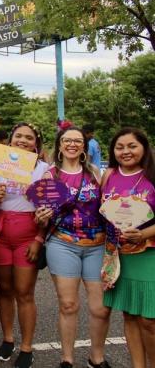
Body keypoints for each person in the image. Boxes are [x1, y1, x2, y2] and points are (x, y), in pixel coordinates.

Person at [35, 127, 111, 368]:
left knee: (100, 308)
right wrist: (41, 216)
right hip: (62, 243)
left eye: (77, 141)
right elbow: (41, 215)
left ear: (84, 147)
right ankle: (67, 359)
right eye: (67, 140)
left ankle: (96, 358)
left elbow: (108, 207)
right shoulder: (49, 175)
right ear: (59, 145)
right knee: (68, 304)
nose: (72, 144)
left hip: (97, 245)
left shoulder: (96, 174)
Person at [0, 123, 49, 368]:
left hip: (28, 234)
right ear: (10, 140)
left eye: (28, 137)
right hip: (0, 234)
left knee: (24, 293)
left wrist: (39, 239)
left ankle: (26, 347)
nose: (23, 140)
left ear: (36, 143)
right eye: (18, 136)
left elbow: (48, 209)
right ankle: (8, 339)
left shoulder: (45, 170)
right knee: (4, 290)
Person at [101, 128, 155, 368]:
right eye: (120, 147)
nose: (126, 151)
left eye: (132, 146)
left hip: (149, 253)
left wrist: (142, 234)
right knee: (130, 315)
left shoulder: (153, 174)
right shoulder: (109, 175)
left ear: (144, 147)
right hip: (118, 255)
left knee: (149, 320)